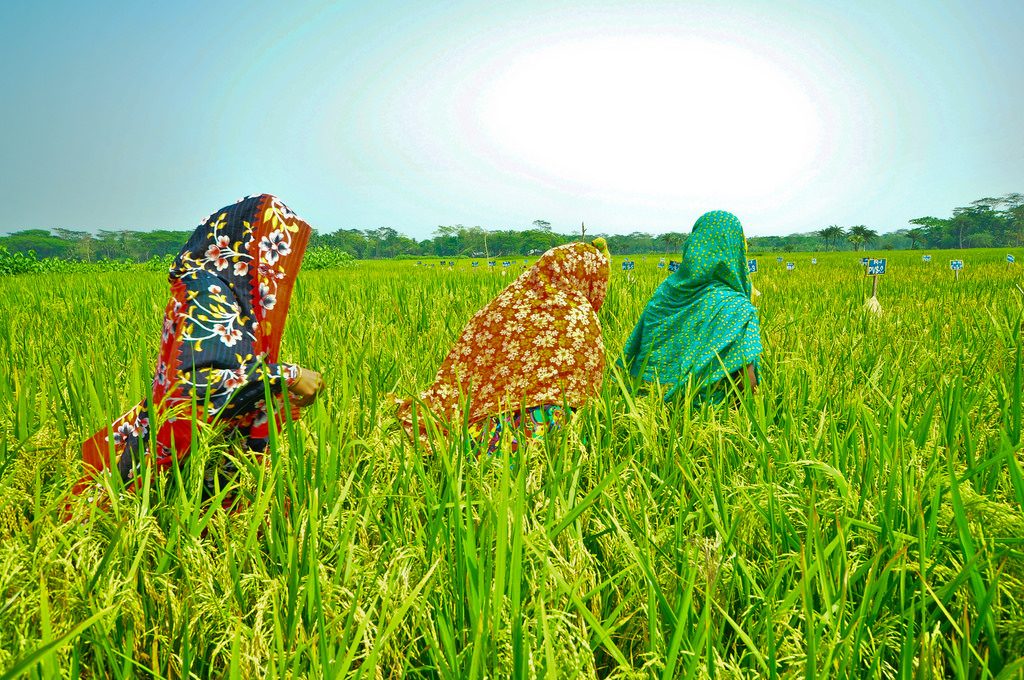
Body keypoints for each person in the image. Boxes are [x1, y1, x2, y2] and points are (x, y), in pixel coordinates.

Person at [71, 194, 324, 509]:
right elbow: (193, 387)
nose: (276, 272)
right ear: (247, 247)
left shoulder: (229, 295)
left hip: (204, 461)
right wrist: (287, 376)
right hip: (174, 465)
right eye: (272, 254)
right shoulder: (207, 292)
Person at [397, 238, 611, 455]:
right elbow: (587, 389)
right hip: (544, 422)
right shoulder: (580, 316)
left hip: (486, 410)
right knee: (554, 426)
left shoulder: (510, 302)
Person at [621, 210, 761, 402]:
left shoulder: (666, 291)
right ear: (735, 249)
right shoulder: (737, 308)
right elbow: (748, 381)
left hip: (645, 402)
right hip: (708, 414)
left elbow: (643, 349)